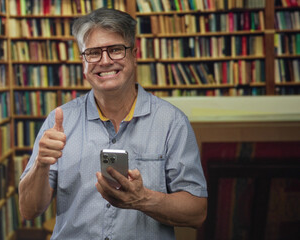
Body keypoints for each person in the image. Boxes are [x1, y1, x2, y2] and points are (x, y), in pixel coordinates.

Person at [18, 8, 207, 240]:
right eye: (94, 53)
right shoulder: (58, 122)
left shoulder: (172, 122)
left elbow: (197, 213)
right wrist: (40, 164)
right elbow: (29, 210)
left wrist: (143, 199)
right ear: (83, 62)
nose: (105, 61)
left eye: (116, 50)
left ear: (134, 54)